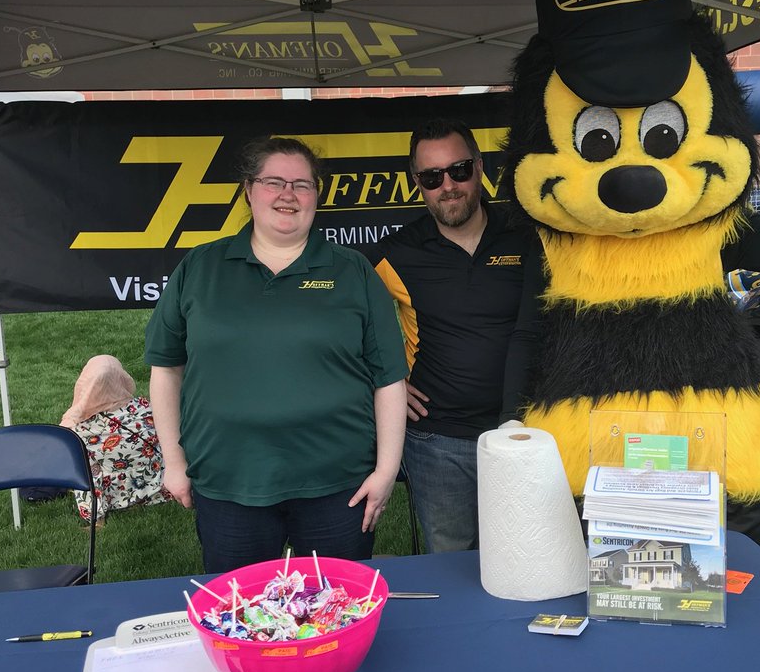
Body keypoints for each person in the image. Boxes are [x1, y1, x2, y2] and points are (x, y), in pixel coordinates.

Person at [145, 136, 407, 573]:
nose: (288, 194)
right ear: (249, 190)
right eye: (273, 182)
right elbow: (165, 369)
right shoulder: (200, 268)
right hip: (228, 480)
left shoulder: (352, 270)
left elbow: (389, 379)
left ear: (316, 196)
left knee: (333, 613)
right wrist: (174, 462)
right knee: (240, 614)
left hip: (337, 483)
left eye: (302, 184)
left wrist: (385, 472)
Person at [366, 119, 537, 553]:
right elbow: (335, 318)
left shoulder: (527, 235)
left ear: (479, 168)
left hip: (526, 430)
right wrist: (380, 381)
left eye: (459, 170)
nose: (449, 186)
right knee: (450, 561)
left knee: (525, 553)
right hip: (437, 440)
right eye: (432, 177)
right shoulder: (397, 251)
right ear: (417, 183)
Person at [60, 354, 167, 524]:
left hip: (116, 496)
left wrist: (94, 516)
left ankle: (98, 518)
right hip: (158, 489)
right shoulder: (145, 408)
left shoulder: (81, 430)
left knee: (81, 463)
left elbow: (91, 475)